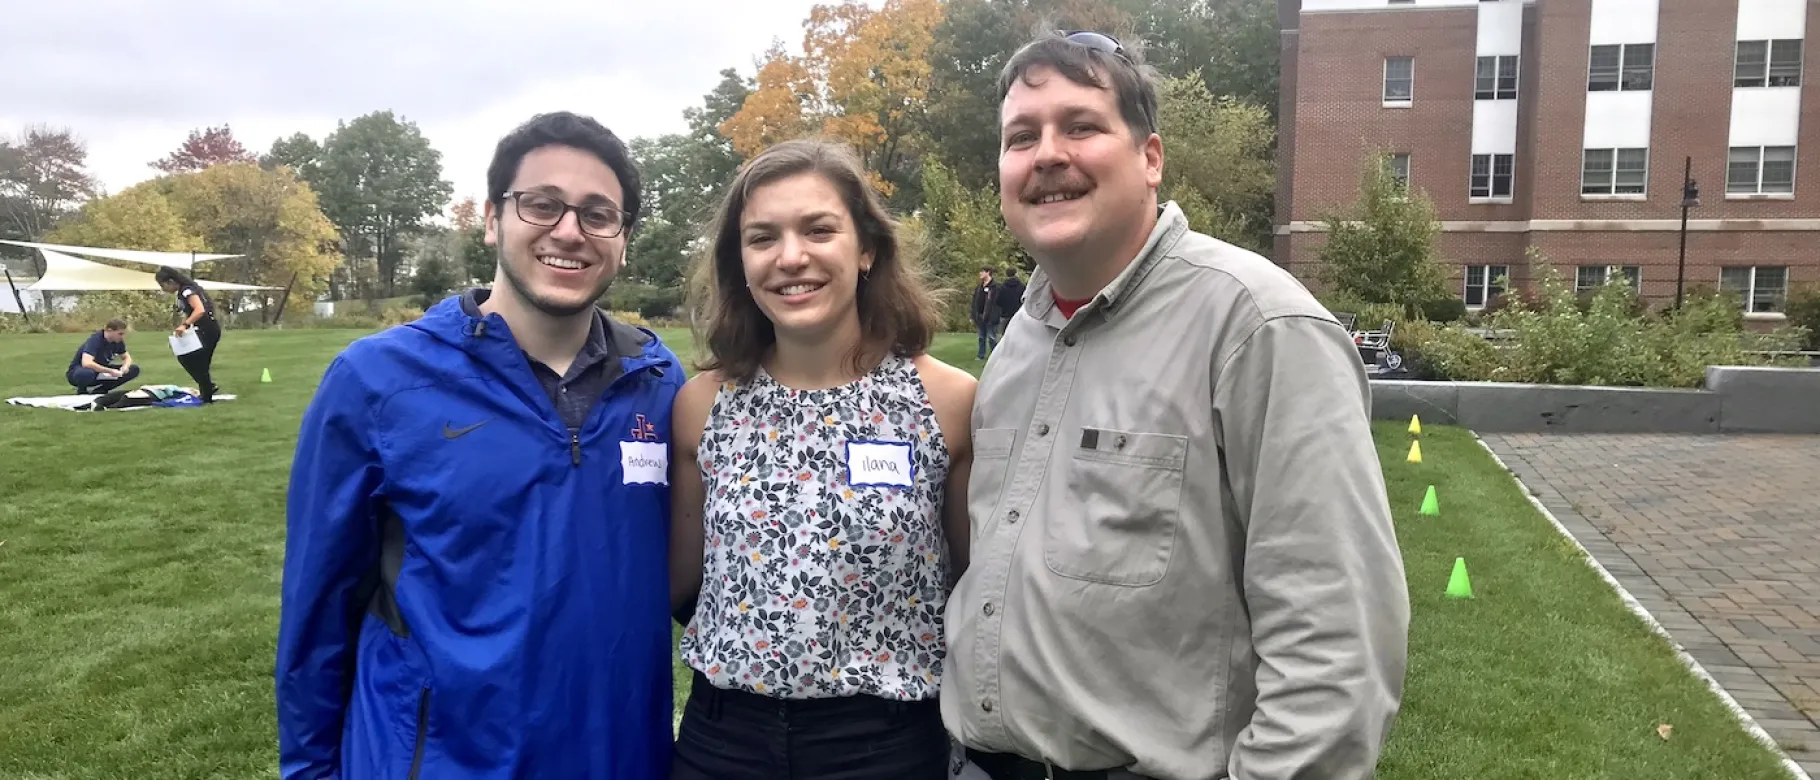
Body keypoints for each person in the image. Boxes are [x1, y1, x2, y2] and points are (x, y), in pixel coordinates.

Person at [942, 30, 1410, 780]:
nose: (1047, 155)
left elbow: (1337, 646)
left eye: (1082, 126)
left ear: (1150, 158)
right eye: (1021, 137)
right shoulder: (1021, 345)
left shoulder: (1258, 327)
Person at [276, 111, 686, 780]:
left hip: (619, 757)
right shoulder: (377, 380)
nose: (568, 232)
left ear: (624, 240)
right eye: (542, 205)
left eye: (597, 213)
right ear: (493, 219)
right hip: (442, 761)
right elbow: (317, 614)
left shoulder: (660, 383)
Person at [667, 138, 977, 780]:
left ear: (865, 249)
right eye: (762, 238)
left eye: (818, 230)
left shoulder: (946, 402)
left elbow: (974, 589)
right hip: (723, 744)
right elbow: (683, 586)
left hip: (884, 746)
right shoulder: (701, 407)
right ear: (741, 262)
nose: (790, 257)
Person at [155, 266, 221, 403]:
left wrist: (185, 325)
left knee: (190, 358)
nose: (163, 289)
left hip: (207, 329)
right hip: (204, 329)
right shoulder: (185, 291)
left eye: (163, 285)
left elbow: (199, 310)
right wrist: (181, 328)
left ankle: (207, 391)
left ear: (171, 281)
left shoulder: (187, 291)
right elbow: (190, 314)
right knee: (197, 362)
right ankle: (207, 389)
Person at [66, 318, 139, 393]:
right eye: (120, 334)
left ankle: (101, 390)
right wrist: (110, 371)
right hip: (78, 372)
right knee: (86, 373)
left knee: (134, 369)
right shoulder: (95, 340)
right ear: (109, 330)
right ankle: (82, 390)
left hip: (100, 371)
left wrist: (125, 366)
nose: (122, 336)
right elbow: (86, 363)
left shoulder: (117, 341)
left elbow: (127, 357)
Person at [970, 267, 1001, 360]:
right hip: (979, 316)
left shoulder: (995, 287)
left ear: (988, 273)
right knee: (981, 337)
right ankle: (981, 355)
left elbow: (997, 303)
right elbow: (974, 302)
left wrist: (995, 315)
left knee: (992, 337)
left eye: (982, 272)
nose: (980, 273)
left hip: (991, 316)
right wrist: (972, 315)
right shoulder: (979, 288)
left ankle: (995, 356)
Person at [994, 265, 1025, 339]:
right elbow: (1024, 299)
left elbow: (998, 300)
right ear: (1015, 273)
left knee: (1003, 334)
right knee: (1018, 334)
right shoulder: (1022, 286)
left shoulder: (1002, 287)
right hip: (1018, 314)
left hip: (1005, 313)